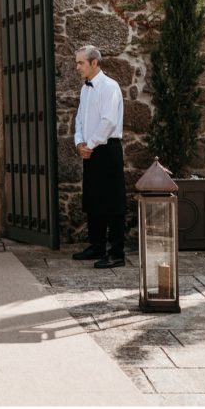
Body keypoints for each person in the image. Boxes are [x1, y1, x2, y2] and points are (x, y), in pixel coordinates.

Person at [72, 45, 127, 269]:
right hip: (90, 149)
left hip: (107, 149)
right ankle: (97, 246)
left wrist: (90, 144)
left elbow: (109, 121)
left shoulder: (110, 87)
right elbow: (79, 119)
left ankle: (117, 253)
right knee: (93, 199)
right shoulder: (85, 89)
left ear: (94, 63)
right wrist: (79, 142)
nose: (77, 67)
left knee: (113, 202)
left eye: (80, 63)